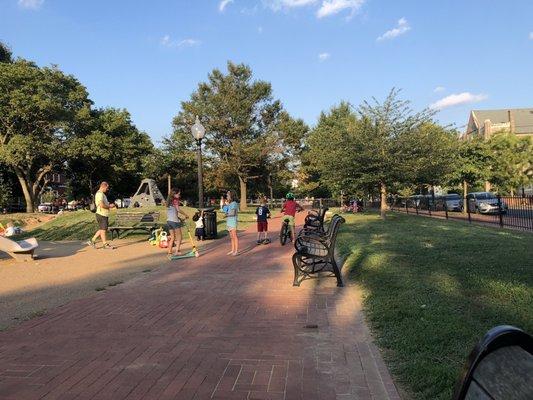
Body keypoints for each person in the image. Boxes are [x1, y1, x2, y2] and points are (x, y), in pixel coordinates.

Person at [86, 181, 115, 249]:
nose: (107, 189)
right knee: (103, 229)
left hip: (103, 214)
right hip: (101, 214)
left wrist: (109, 205)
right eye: (107, 188)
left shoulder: (102, 194)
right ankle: (105, 244)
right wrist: (110, 206)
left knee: (102, 229)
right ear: (103, 186)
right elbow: (101, 205)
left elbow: (104, 204)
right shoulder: (99, 194)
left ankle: (92, 240)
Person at [166, 188, 189, 257]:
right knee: (179, 237)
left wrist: (180, 218)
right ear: (174, 194)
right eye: (178, 194)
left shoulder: (168, 202)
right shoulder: (175, 200)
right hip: (174, 222)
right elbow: (178, 210)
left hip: (169, 221)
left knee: (172, 237)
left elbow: (172, 213)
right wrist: (186, 215)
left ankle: (169, 252)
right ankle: (177, 251)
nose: (179, 195)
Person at [221, 190, 239, 255]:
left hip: (233, 222)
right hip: (229, 222)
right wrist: (223, 202)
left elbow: (233, 213)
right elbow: (224, 209)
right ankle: (232, 250)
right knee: (231, 237)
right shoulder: (229, 204)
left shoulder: (234, 203)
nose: (227, 196)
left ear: (232, 196)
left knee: (234, 236)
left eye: (228, 195)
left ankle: (236, 251)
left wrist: (226, 215)